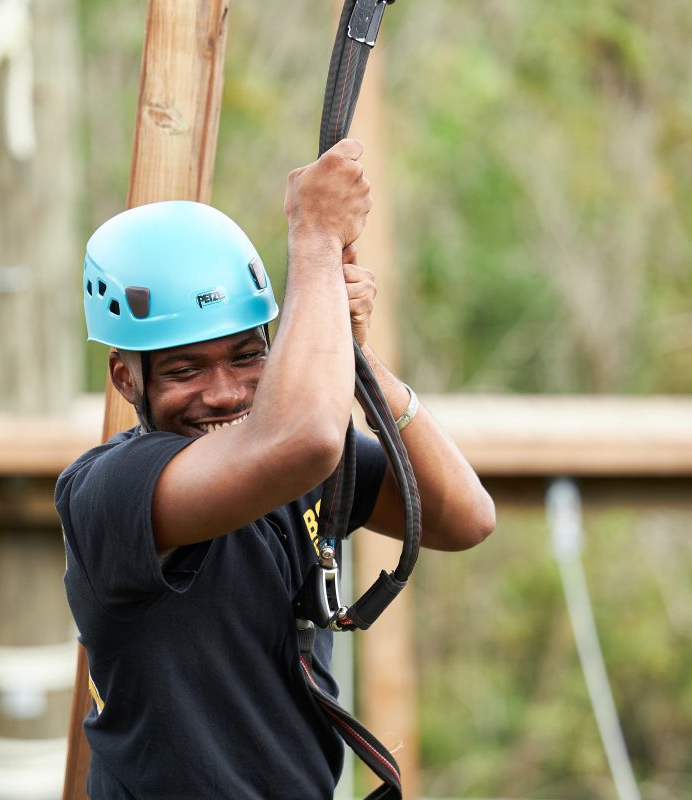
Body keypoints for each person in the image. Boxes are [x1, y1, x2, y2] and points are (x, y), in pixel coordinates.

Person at [56, 139, 495, 799]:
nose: (226, 391)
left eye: (247, 357)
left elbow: (464, 517)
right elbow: (301, 443)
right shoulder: (111, 491)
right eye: (185, 370)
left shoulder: (296, 456)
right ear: (126, 378)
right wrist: (314, 237)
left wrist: (356, 360)